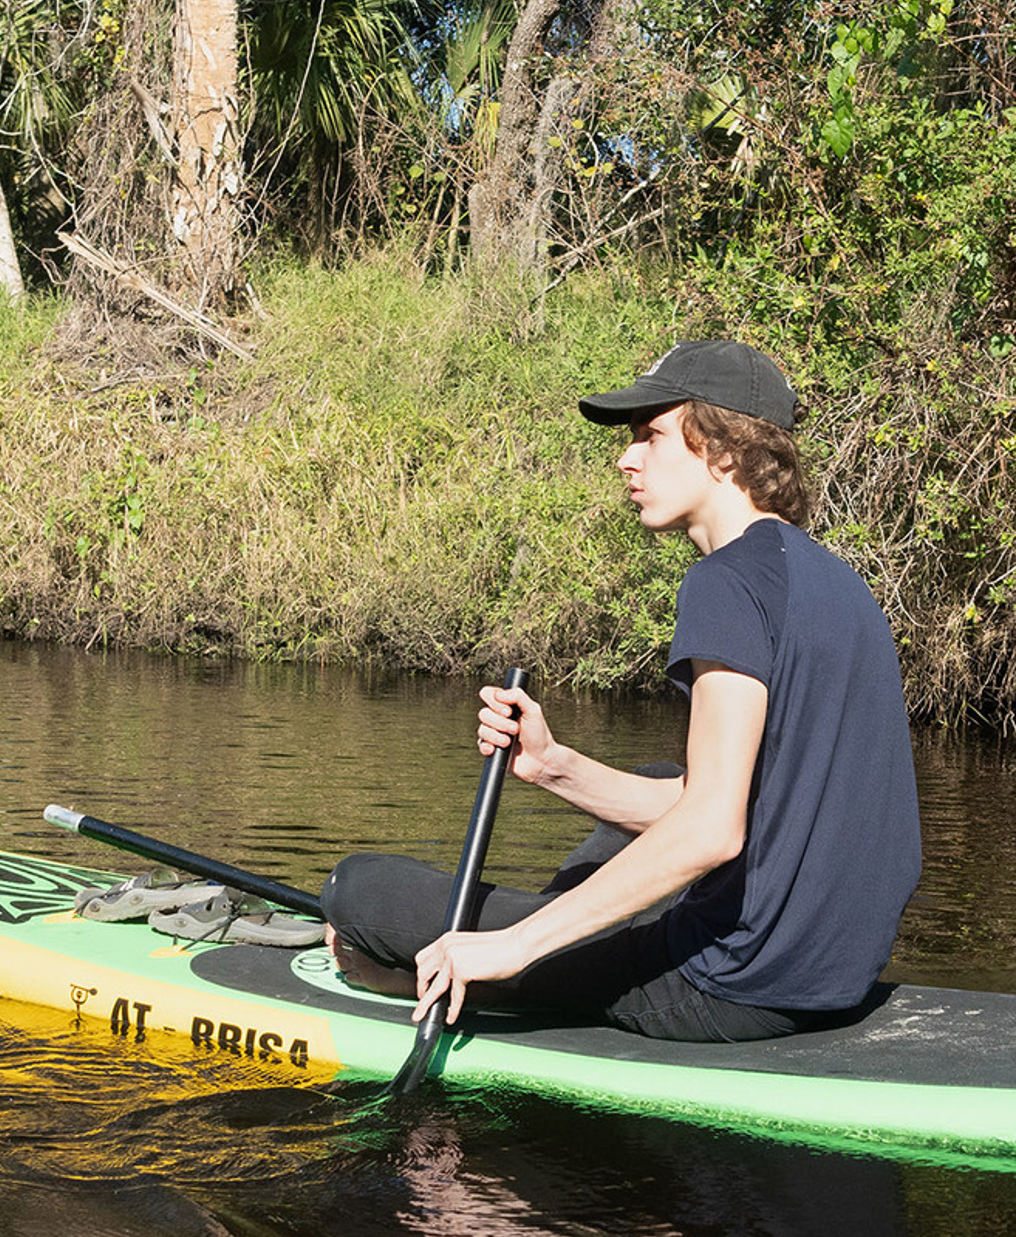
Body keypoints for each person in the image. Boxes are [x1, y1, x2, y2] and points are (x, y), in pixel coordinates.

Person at [319, 338, 922, 1044]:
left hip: (729, 985)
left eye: (652, 435)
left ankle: (472, 968)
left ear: (726, 450)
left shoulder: (724, 583)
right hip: (832, 976)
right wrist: (551, 766)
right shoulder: (837, 582)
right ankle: (540, 943)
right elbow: (724, 798)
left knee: (357, 888)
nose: (626, 458)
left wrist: (516, 946)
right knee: (661, 778)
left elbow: (711, 829)